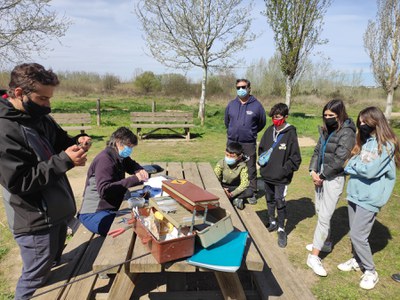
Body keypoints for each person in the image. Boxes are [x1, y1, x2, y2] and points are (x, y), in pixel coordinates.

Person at [0, 63, 92, 299]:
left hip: (56, 213)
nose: (48, 105)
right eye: (42, 98)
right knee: (33, 281)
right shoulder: (4, 129)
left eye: (49, 99)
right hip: (35, 222)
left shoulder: (37, 116)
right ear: (19, 93)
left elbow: (60, 141)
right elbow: (19, 181)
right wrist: (64, 161)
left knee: (49, 272)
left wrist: (77, 143)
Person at [337, 106, 399, 290]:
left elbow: (370, 171)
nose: (362, 125)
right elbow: (350, 163)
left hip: (370, 198)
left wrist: (353, 166)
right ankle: (357, 260)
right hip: (355, 194)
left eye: (366, 122)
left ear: (376, 122)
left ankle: (371, 271)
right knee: (354, 232)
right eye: (360, 122)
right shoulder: (366, 142)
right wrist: (354, 165)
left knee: (358, 235)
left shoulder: (387, 144)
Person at [306, 99, 356, 277]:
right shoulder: (326, 129)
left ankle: (313, 257)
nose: (327, 118)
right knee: (320, 210)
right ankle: (325, 242)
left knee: (325, 216)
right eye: (325, 115)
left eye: (331, 116)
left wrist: (323, 175)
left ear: (340, 114)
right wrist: (313, 170)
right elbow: (318, 150)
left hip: (333, 178)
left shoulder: (347, 133)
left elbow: (340, 158)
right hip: (319, 175)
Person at [78, 127, 148, 236]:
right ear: (118, 142)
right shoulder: (105, 159)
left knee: (139, 219)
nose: (130, 150)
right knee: (131, 229)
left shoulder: (118, 156)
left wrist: (140, 170)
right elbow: (105, 191)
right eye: (128, 146)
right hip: (93, 213)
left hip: (109, 208)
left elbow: (132, 165)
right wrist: (135, 179)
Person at [258, 103, 301, 248]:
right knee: (269, 199)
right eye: (273, 117)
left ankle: (282, 229)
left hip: (281, 178)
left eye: (277, 117)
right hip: (267, 175)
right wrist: (264, 165)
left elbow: (295, 158)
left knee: (279, 200)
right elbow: (262, 149)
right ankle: (272, 222)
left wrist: (284, 170)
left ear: (285, 117)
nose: (275, 120)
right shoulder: (269, 130)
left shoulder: (290, 133)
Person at [225, 78, 266, 204]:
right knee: (232, 167)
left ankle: (252, 192)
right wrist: (233, 131)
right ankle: (234, 190)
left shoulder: (257, 105)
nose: (241, 90)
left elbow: (261, 123)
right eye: (238, 88)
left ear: (249, 88)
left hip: (248, 142)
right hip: (232, 141)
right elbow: (227, 121)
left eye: (243, 87)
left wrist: (249, 133)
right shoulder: (231, 104)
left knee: (250, 168)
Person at [214, 142, 253, 210]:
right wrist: (221, 189)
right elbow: (215, 177)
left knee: (250, 192)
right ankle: (234, 200)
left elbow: (244, 183)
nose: (228, 158)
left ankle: (235, 198)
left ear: (239, 157)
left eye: (232, 156)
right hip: (223, 186)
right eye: (227, 155)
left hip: (234, 187)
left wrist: (232, 194)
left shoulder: (243, 166)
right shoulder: (221, 163)